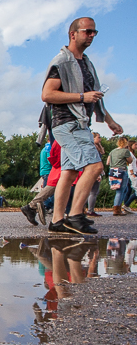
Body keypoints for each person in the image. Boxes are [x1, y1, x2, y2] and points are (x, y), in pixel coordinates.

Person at [42, 17, 123, 234]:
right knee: (94, 167)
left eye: (94, 32)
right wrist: (81, 96)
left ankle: (58, 220)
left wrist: (109, 120)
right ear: (73, 34)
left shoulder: (86, 63)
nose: (91, 36)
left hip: (80, 123)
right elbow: (47, 94)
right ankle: (75, 215)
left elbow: (94, 98)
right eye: (87, 31)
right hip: (68, 123)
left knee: (68, 172)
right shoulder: (62, 61)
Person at [106, 137, 133, 216]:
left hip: (112, 171)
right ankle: (117, 209)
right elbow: (130, 160)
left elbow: (107, 162)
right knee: (121, 190)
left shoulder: (112, 151)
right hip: (121, 170)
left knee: (117, 189)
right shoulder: (125, 151)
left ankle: (116, 208)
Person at [86, 132, 105, 217]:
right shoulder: (92, 148)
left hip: (95, 170)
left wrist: (99, 144)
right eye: (98, 137)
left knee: (91, 191)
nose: (100, 139)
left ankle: (85, 209)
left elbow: (103, 152)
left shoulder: (96, 147)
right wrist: (97, 174)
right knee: (93, 192)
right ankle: (90, 210)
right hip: (94, 171)